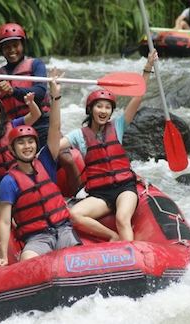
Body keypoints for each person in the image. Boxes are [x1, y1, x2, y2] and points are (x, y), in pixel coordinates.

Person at [0, 22, 82, 197]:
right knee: (17, 171)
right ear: (1, 50)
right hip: (13, 129)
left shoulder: (35, 65)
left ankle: (79, 196)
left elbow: (39, 92)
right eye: (6, 47)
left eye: (15, 45)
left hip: (40, 123)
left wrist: (13, 90)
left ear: (22, 45)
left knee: (67, 158)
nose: (12, 50)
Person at [59, 50, 158, 242]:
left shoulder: (118, 126)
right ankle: (112, 237)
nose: (103, 110)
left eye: (107, 107)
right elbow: (55, 146)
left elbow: (137, 97)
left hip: (124, 188)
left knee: (122, 218)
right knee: (74, 214)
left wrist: (147, 69)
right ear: (91, 109)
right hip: (100, 194)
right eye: (99, 106)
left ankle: (130, 258)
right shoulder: (79, 135)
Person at [0, 70, 81, 268]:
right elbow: (4, 222)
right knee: (28, 263)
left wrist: (55, 96)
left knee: (78, 261)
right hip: (37, 237)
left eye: (30, 142)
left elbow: (54, 127)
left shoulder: (46, 160)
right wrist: (3, 256)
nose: (27, 146)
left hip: (63, 229)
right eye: (21, 143)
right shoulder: (9, 181)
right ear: (12, 149)